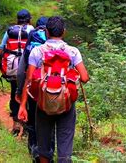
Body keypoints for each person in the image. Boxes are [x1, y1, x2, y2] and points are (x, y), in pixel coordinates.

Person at [18, 16, 89, 163]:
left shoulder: (37, 52)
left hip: (43, 104)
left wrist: (23, 106)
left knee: (43, 146)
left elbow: (29, 80)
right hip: (67, 105)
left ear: (47, 32)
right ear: (64, 32)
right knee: (65, 147)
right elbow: (84, 77)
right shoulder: (73, 51)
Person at [15, 16, 52, 160]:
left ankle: (33, 150)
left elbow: (21, 70)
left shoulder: (32, 41)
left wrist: (20, 90)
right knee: (49, 120)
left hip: (33, 87)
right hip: (51, 88)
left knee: (32, 120)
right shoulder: (58, 45)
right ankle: (48, 153)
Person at [0, 9, 34, 134]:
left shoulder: (10, 31)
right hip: (27, 70)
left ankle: (15, 124)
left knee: (15, 94)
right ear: (29, 19)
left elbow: (1, 49)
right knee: (28, 96)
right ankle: (26, 127)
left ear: (17, 19)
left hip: (12, 69)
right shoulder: (32, 30)